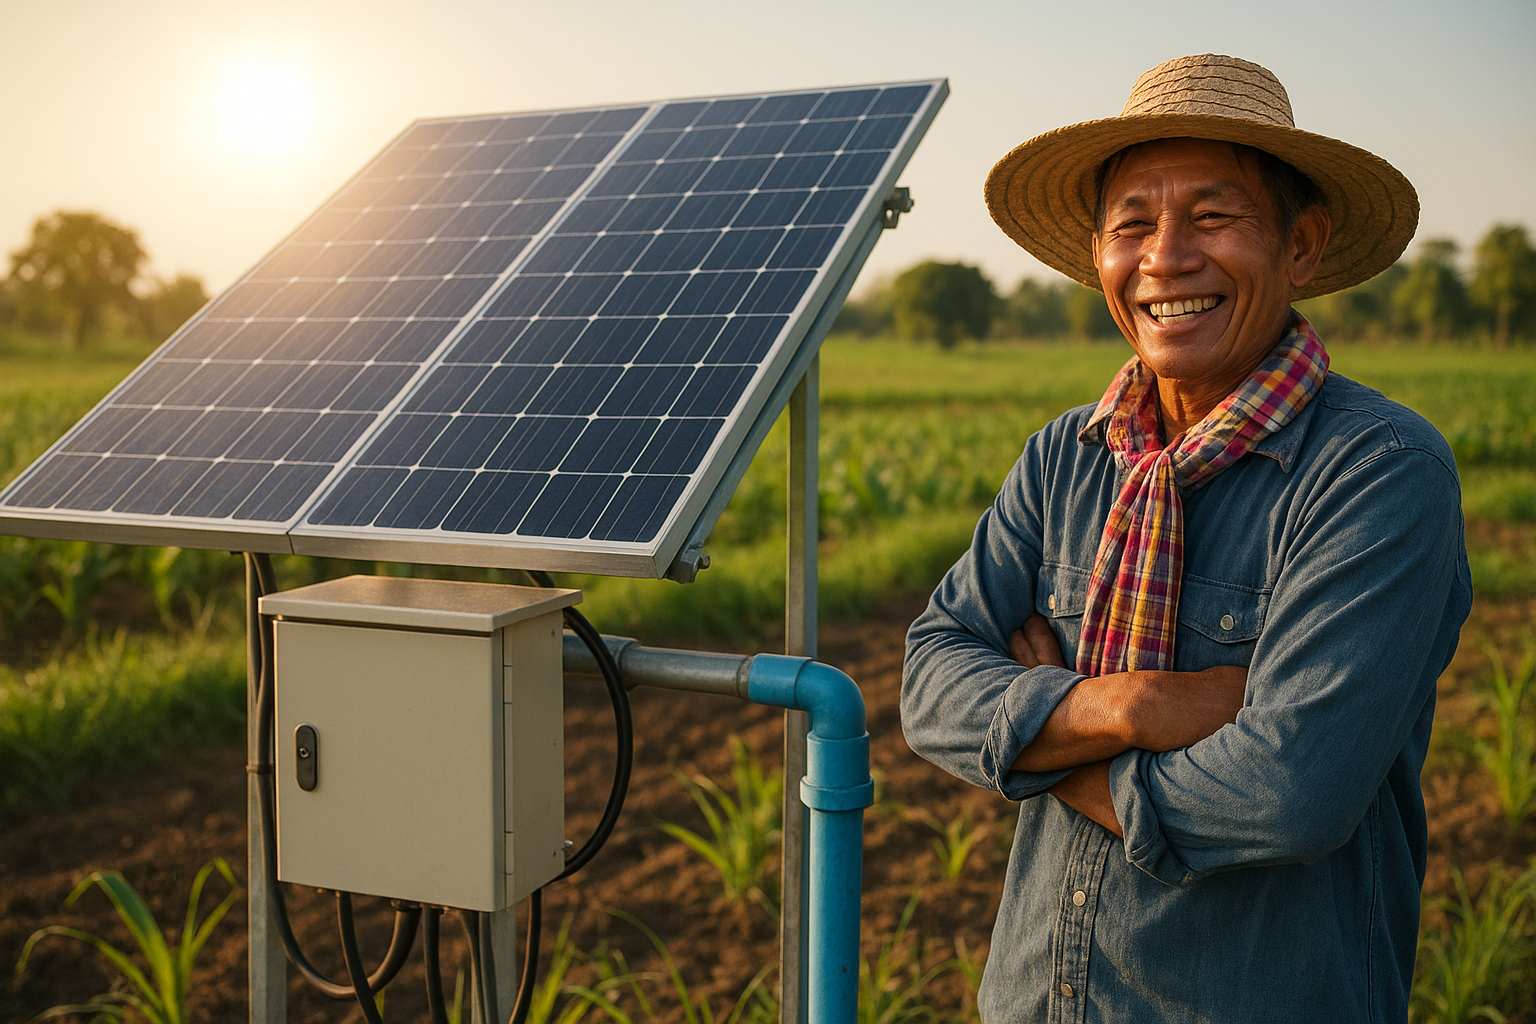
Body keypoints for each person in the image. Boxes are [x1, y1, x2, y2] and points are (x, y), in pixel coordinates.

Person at [901, 54, 1471, 1022]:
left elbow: (1291, 789)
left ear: (1302, 248)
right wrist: (1135, 705)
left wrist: (1057, 747)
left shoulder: (1376, 472)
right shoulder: (1066, 458)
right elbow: (928, 683)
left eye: (1213, 217)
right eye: (1133, 223)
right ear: (1100, 257)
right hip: (1040, 999)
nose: (1166, 256)